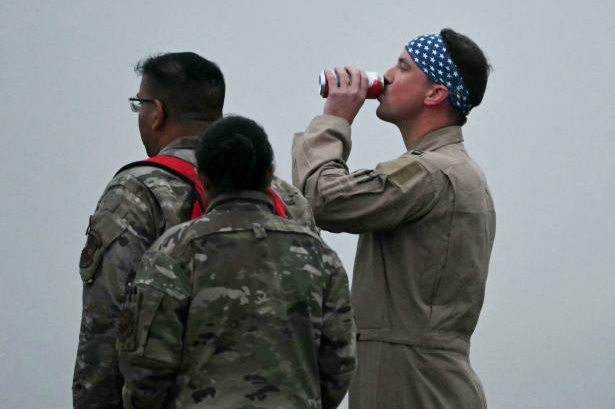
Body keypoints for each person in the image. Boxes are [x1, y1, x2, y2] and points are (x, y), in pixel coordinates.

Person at [73, 53, 316, 408]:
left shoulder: (137, 192)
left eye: (139, 105)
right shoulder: (285, 198)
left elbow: (106, 321)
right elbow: (322, 324)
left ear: (157, 111)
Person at [292, 28, 496, 408]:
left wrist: (334, 120)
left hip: (412, 383)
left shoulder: (430, 173)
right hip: (425, 380)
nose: (385, 75)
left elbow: (322, 200)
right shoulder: (457, 170)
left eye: (403, 67)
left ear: (435, 94)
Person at [117, 115, 356, 408]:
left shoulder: (174, 251)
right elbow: (339, 363)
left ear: (202, 178)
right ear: (270, 174)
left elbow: (145, 368)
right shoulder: (319, 255)